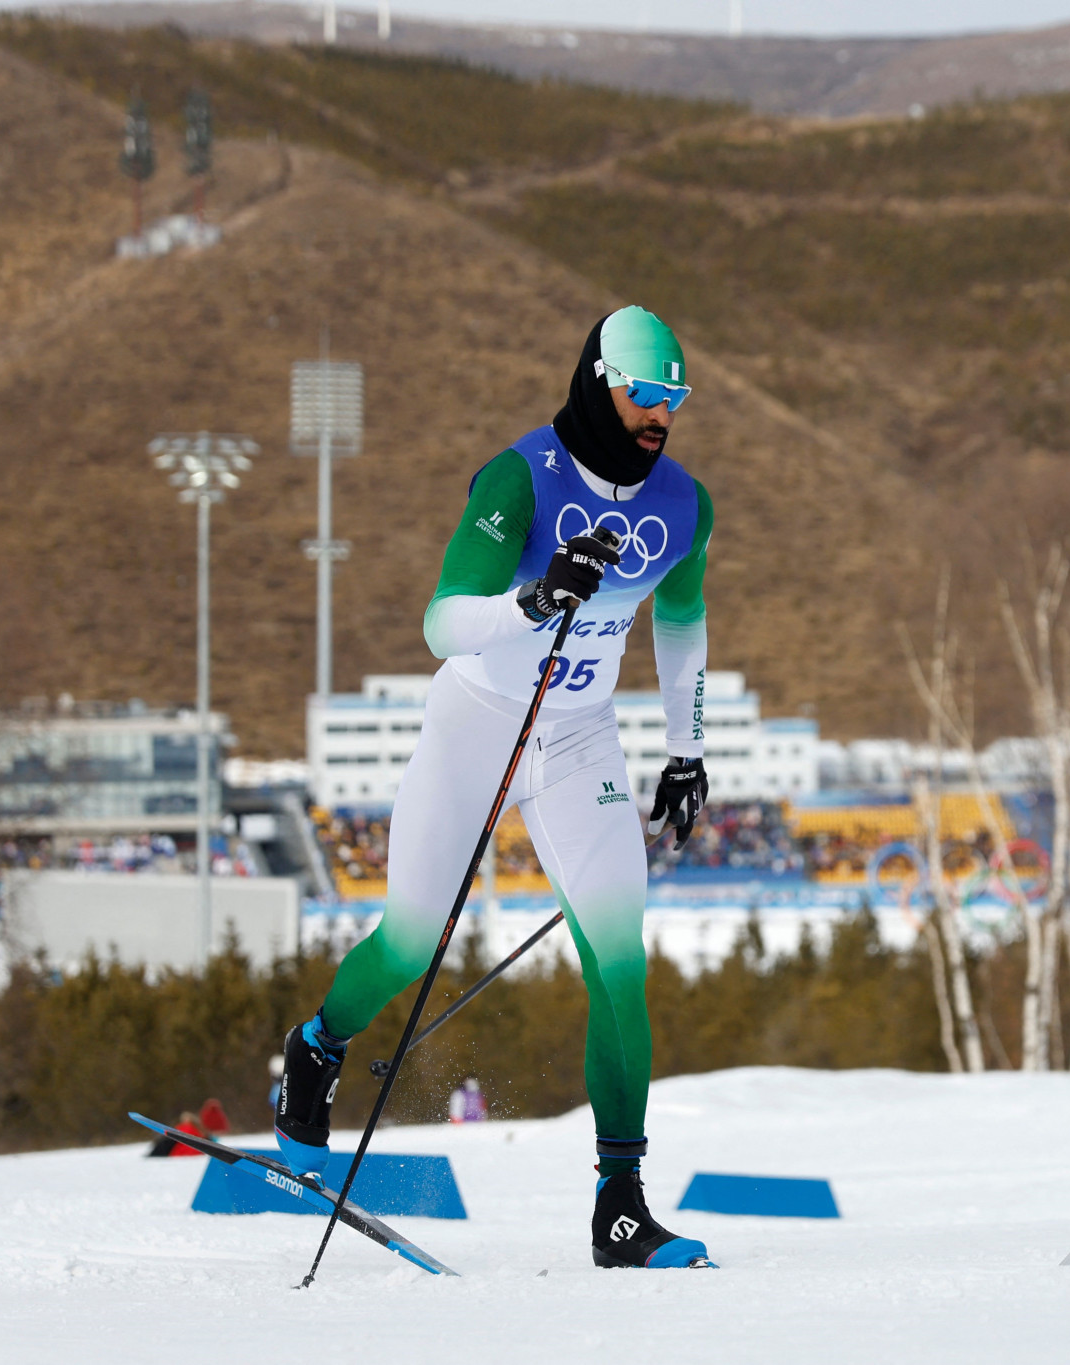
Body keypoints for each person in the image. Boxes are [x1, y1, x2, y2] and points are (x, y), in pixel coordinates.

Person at [276, 305, 715, 1269]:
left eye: (675, 398)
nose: (662, 414)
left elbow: (681, 620)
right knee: (408, 941)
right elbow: (443, 622)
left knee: (621, 966)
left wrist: (687, 748)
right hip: (477, 721)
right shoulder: (520, 479)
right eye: (646, 393)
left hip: (580, 736)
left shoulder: (685, 503)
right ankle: (317, 1045)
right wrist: (536, 597)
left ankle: (622, 1205)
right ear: (599, 382)